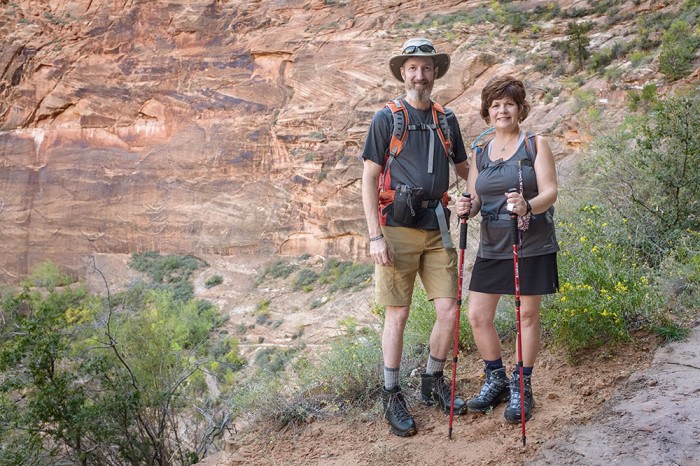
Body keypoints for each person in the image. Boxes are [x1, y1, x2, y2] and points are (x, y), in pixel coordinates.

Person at [361, 38, 470, 437]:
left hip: (437, 224)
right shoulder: (386, 118)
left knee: (449, 310)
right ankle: (391, 393)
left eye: (426, 68)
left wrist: (470, 198)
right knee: (398, 314)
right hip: (396, 226)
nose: (419, 75)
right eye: (412, 68)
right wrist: (375, 236)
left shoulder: (447, 120)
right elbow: (369, 178)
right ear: (402, 73)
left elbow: (464, 169)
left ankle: (432, 381)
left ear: (435, 72)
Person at [456, 75, 559, 423]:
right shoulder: (480, 152)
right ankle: (496, 378)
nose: (502, 110)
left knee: (526, 316)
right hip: (492, 244)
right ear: (487, 112)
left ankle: (522, 386)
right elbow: (475, 199)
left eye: (509, 104)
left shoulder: (535, 144)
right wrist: (464, 207)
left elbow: (550, 192)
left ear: (519, 109)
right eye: (496, 105)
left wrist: (528, 205)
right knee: (478, 315)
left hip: (530, 242)